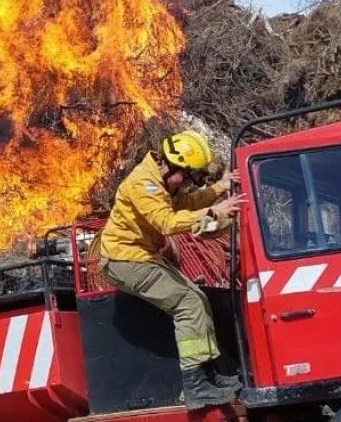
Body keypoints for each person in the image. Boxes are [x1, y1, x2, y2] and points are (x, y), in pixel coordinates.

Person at [97, 130, 246, 411]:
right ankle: (194, 388)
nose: (188, 183)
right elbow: (167, 222)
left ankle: (208, 375)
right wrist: (215, 212)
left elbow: (186, 203)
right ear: (171, 165)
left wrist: (219, 189)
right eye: (187, 177)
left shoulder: (165, 183)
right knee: (187, 303)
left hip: (142, 256)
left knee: (197, 297)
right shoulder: (144, 184)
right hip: (123, 260)